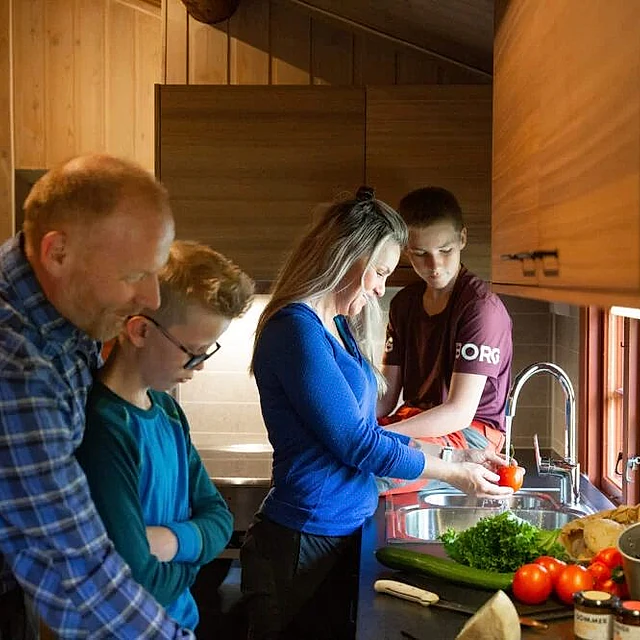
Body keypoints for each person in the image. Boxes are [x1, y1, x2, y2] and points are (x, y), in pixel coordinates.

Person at [241, 186, 513, 640]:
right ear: (348, 258)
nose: (382, 287)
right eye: (380, 272)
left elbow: (369, 429)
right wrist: (449, 470)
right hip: (303, 539)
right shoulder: (296, 331)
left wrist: (458, 457)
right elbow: (358, 443)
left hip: (340, 532)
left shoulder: (339, 327)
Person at [0, 154, 195, 638]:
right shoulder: (15, 366)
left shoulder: (69, 311)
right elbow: (73, 572)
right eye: (133, 275)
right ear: (57, 252)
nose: (151, 299)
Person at [76, 240, 255, 634]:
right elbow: (134, 577)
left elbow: (220, 518)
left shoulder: (169, 412)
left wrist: (170, 542)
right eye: (193, 352)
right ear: (139, 331)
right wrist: (193, 560)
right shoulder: (105, 427)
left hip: (178, 624)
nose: (200, 367)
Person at [377, 187, 513, 457]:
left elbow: (459, 412)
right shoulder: (403, 304)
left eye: (445, 250)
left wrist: (376, 437)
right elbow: (387, 396)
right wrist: (349, 428)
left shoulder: (480, 309)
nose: (435, 265)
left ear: (462, 238)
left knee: (363, 470)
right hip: (415, 421)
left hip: (472, 435)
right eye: (420, 253)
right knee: (331, 460)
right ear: (405, 250)